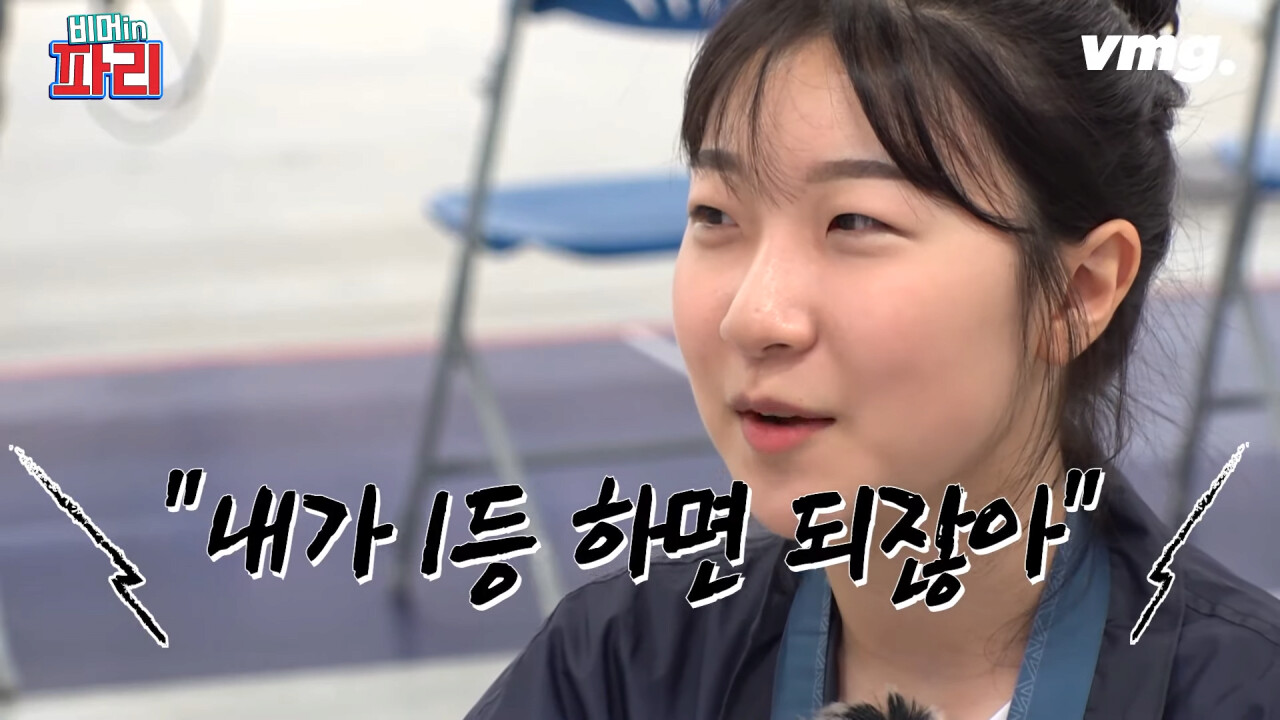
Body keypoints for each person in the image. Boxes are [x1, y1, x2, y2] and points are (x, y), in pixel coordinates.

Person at [463, 0, 1280, 717]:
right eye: (715, 214)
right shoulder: (612, 674)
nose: (754, 316)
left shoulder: (1242, 695)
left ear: (1077, 291)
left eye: (855, 222)